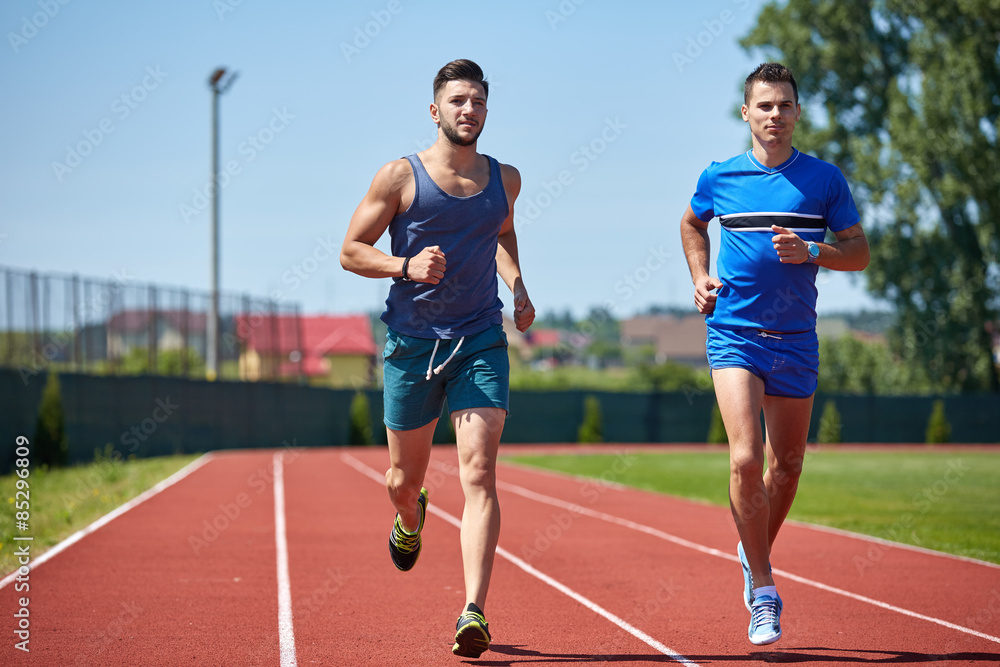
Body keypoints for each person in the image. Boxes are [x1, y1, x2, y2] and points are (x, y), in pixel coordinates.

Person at [340, 58, 534, 659]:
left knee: (479, 473)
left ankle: (473, 610)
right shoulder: (400, 177)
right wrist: (405, 266)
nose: (467, 110)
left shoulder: (506, 179)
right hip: (411, 344)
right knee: (404, 480)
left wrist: (519, 286)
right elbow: (350, 251)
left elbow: (500, 233)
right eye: (457, 101)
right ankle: (409, 516)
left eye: (476, 101)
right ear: (435, 110)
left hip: (479, 337)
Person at [680, 62, 870, 646]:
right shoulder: (720, 176)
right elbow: (691, 222)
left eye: (784, 105)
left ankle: (750, 546)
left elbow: (858, 253)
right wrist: (700, 274)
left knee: (786, 468)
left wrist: (812, 250)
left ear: (796, 112)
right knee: (745, 459)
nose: (775, 115)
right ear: (747, 113)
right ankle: (764, 588)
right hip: (734, 333)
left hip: (796, 340)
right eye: (764, 106)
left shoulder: (824, 180)